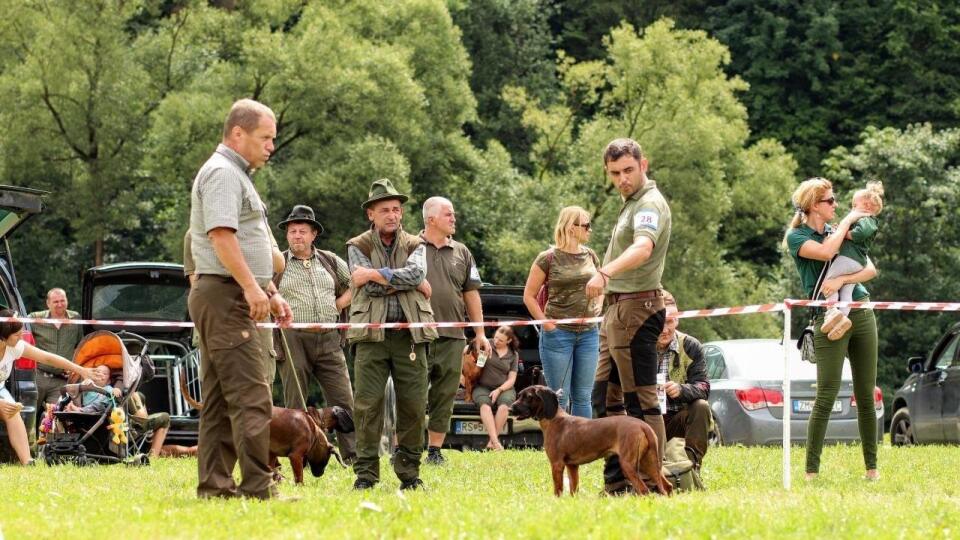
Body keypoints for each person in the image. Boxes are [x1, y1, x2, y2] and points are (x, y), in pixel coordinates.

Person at [187, 98, 294, 500]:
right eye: (265, 138)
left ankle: (215, 487)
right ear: (238, 133)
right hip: (227, 296)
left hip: (226, 293)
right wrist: (251, 288)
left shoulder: (235, 174)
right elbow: (221, 235)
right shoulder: (222, 174)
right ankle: (258, 488)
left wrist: (267, 288)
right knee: (252, 395)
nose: (271, 146)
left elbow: (244, 243)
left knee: (217, 401)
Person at [585, 138, 672, 496]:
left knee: (641, 401)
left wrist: (604, 274)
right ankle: (617, 480)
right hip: (615, 310)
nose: (622, 178)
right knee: (604, 398)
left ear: (644, 164)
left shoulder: (649, 203)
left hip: (638, 309)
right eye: (615, 173)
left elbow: (643, 247)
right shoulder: (630, 204)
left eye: (628, 170)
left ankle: (652, 480)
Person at [784, 177, 879, 482]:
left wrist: (841, 282)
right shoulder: (796, 237)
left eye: (837, 201)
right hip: (827, 317)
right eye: (830, 201)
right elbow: (826, 253)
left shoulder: (837, 231)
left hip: (861, 311)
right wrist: (851, 218)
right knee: (826, 394)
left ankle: (872, 470)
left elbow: (870, 269)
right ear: (813, 205)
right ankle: (811, 472)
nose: (836, 205)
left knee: (866, 394)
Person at [346, 178, 437, 491]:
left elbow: (416, 274)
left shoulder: (416, 243)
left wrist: (375, 273)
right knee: (367, 407)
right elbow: (370, 287)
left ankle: (410, 476)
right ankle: (366, 476)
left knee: (413, 406)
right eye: (385, 209)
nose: (393, 215)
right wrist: (405, 281)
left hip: (410, 337)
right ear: (371, 214)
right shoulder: (357, 245)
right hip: (371, 337)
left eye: (397, 209)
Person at [274, 204, 356, 462]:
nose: (296, 236)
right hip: (292, 339)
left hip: (330, 338)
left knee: (345, 400)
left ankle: (354, 456)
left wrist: (340, 304)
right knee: (295, 404)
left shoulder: (330, 260)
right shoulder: (278, 264)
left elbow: (357, 281)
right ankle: (303, 456)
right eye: (292, 231)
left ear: (313, 235)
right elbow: (261, 288)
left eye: (302, 231)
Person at [420, 196, 488, 466]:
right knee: (411, 394)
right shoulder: (411, 247)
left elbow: (471, 294)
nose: (454, 218)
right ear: (431, 219)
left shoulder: (462, 251)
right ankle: (405, 447)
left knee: (445, 394)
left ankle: (435, 450)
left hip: (453, 338)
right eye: (448, 214)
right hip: (417, 336)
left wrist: (480, 333)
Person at [523, 205, 601, 418]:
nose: (590, 230)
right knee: (560, 397)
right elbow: (528, 296)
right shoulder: (547, 258)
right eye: (587, 225)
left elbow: (601, 285)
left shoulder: (591, 256)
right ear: (571, 227)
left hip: (589, 334)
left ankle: (582, 448)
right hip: (558, 335)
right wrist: (547, 324)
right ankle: (560, 447)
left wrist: (598, 307)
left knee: (584, 396)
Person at [0, 309, 94, 465]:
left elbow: (47, 358)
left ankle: (28, 462)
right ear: (3, 336)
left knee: (13, 414)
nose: (22, 336)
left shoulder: (15, 347)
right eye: (17, 334)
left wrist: (80, 369)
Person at [820, 181, 884, 340]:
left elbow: (859, 234)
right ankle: (842, 320)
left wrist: (844, 233)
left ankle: (831, 313)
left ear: (867, 206)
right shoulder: (866, 220)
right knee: (846, 291)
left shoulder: (868, 220)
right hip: (857, 262)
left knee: (829, 281)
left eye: (855, 205)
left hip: (850, 259)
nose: (852, 209)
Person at [654, 292, 711, 469]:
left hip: (676, 419)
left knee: (701, 406)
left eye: (670, 322)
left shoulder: (691, 345)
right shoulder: (638, 345)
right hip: (646, 419)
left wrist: (681, 390)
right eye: (659, 323)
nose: (665, 329)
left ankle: (691, 467)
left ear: (677, 320)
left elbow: (704, 387)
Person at [28, 288, 83, 418]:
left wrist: (73, 367)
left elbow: (79, 346)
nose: (59, 304)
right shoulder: (34, 318)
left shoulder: (76, 318)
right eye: (55, 301)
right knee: (30, 414)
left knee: (55, 417)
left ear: (67, 301)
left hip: (61, 380)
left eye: (62, 300)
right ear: (48, 303)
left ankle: (46, 439)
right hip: (38, 376)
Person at [472, 325, 519, 451]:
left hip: (504, 388)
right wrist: (483, 355)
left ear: (508, 341)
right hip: (483, 387)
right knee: (485, 406)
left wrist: (499, 390)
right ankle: (495, 442)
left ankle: (491, 443)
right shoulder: (487, 345)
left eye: (501, 340)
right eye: (496, 338)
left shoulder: (513, 355)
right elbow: (477, 369)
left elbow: (512, 380)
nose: (496, 341)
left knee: (504, 407)